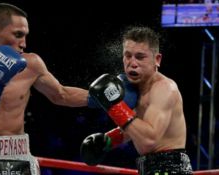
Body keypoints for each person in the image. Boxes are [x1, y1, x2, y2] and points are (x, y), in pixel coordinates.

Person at [0, 3, 91, 175]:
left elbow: (62, 95)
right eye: (18, 35)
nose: (24, 44)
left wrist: (101, 98)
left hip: (19, 153)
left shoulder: (32, 64)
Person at [80, 26, 193, 174]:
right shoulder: (136, 88)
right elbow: (136, 129)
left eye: (140, 57)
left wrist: (115, 106)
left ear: (157, 60)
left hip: (170, 169)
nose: (132, 63)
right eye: (128, 56)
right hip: (151, 168)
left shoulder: (164, 88)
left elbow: (148, 141)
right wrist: (109, 141)